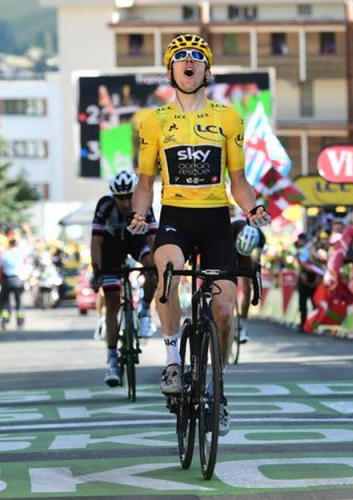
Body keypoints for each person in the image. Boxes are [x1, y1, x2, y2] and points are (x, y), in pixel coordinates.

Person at [127, 34, 271, 436]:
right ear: (171, 69)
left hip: (216, 221)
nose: (188, 62)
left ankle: (216, 388)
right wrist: (139, 213)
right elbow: (145, 181)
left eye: (196, 57)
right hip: (176, 217)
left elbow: (238, 180)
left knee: (223, 310)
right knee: (168, 271)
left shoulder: (228, 117)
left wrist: (252, 209)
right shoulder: (153, 120)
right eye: (180, 57)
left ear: (206, 70)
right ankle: (173, 360)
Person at [91, 170, 158, 387]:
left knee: (152, 267)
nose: (126, 202)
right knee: (112, 301)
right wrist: (97, 270)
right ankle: (112, 359)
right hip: (111, 249)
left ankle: (145, 310)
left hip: (136, 242)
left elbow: (152, 238)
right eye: (121, 198)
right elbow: (96, 242)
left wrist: (155, 267)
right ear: (113, 196)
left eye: (129, 196)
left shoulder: (144, 204)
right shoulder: (105, 206)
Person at [232, 220, 266, 343]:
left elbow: (257, 262)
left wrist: (256, 288)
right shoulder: (233, 228)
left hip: (247, 255)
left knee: (247, 287)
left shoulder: (261, 237)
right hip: (231, 248)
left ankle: (242, 323)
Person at [0, 234, 31, 329]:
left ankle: (5, 320)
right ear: (17, 244)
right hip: (18, 280)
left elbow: (0, 266)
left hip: (7, 280)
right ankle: (20, 321)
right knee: (19, 301)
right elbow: (27, 263)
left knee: (5, 301)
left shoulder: (5, 254)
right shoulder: (21, 253)